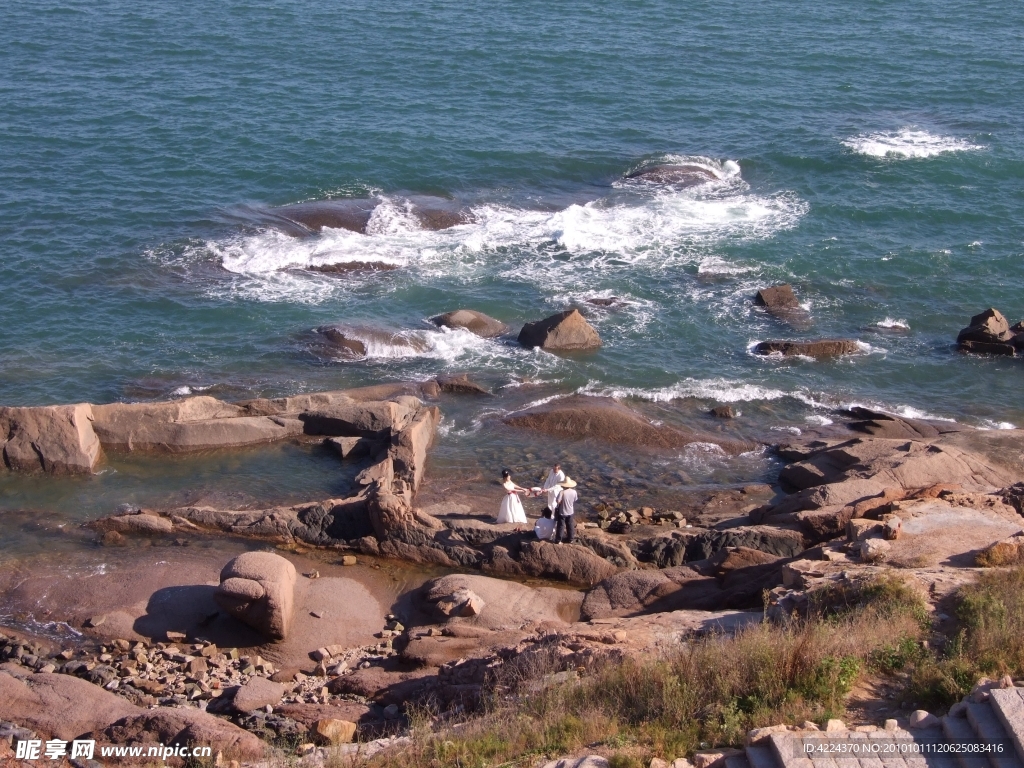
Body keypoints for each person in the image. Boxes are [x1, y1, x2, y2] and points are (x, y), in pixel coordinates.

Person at [552, 477, 578, 544]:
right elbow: (575, 500)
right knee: (570, 525)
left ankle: (558, 540)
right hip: (571, 511)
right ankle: (571, 539)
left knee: (561, 526)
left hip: (562, 512)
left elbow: (558, 501)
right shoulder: (574, 492)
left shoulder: (562, 492)